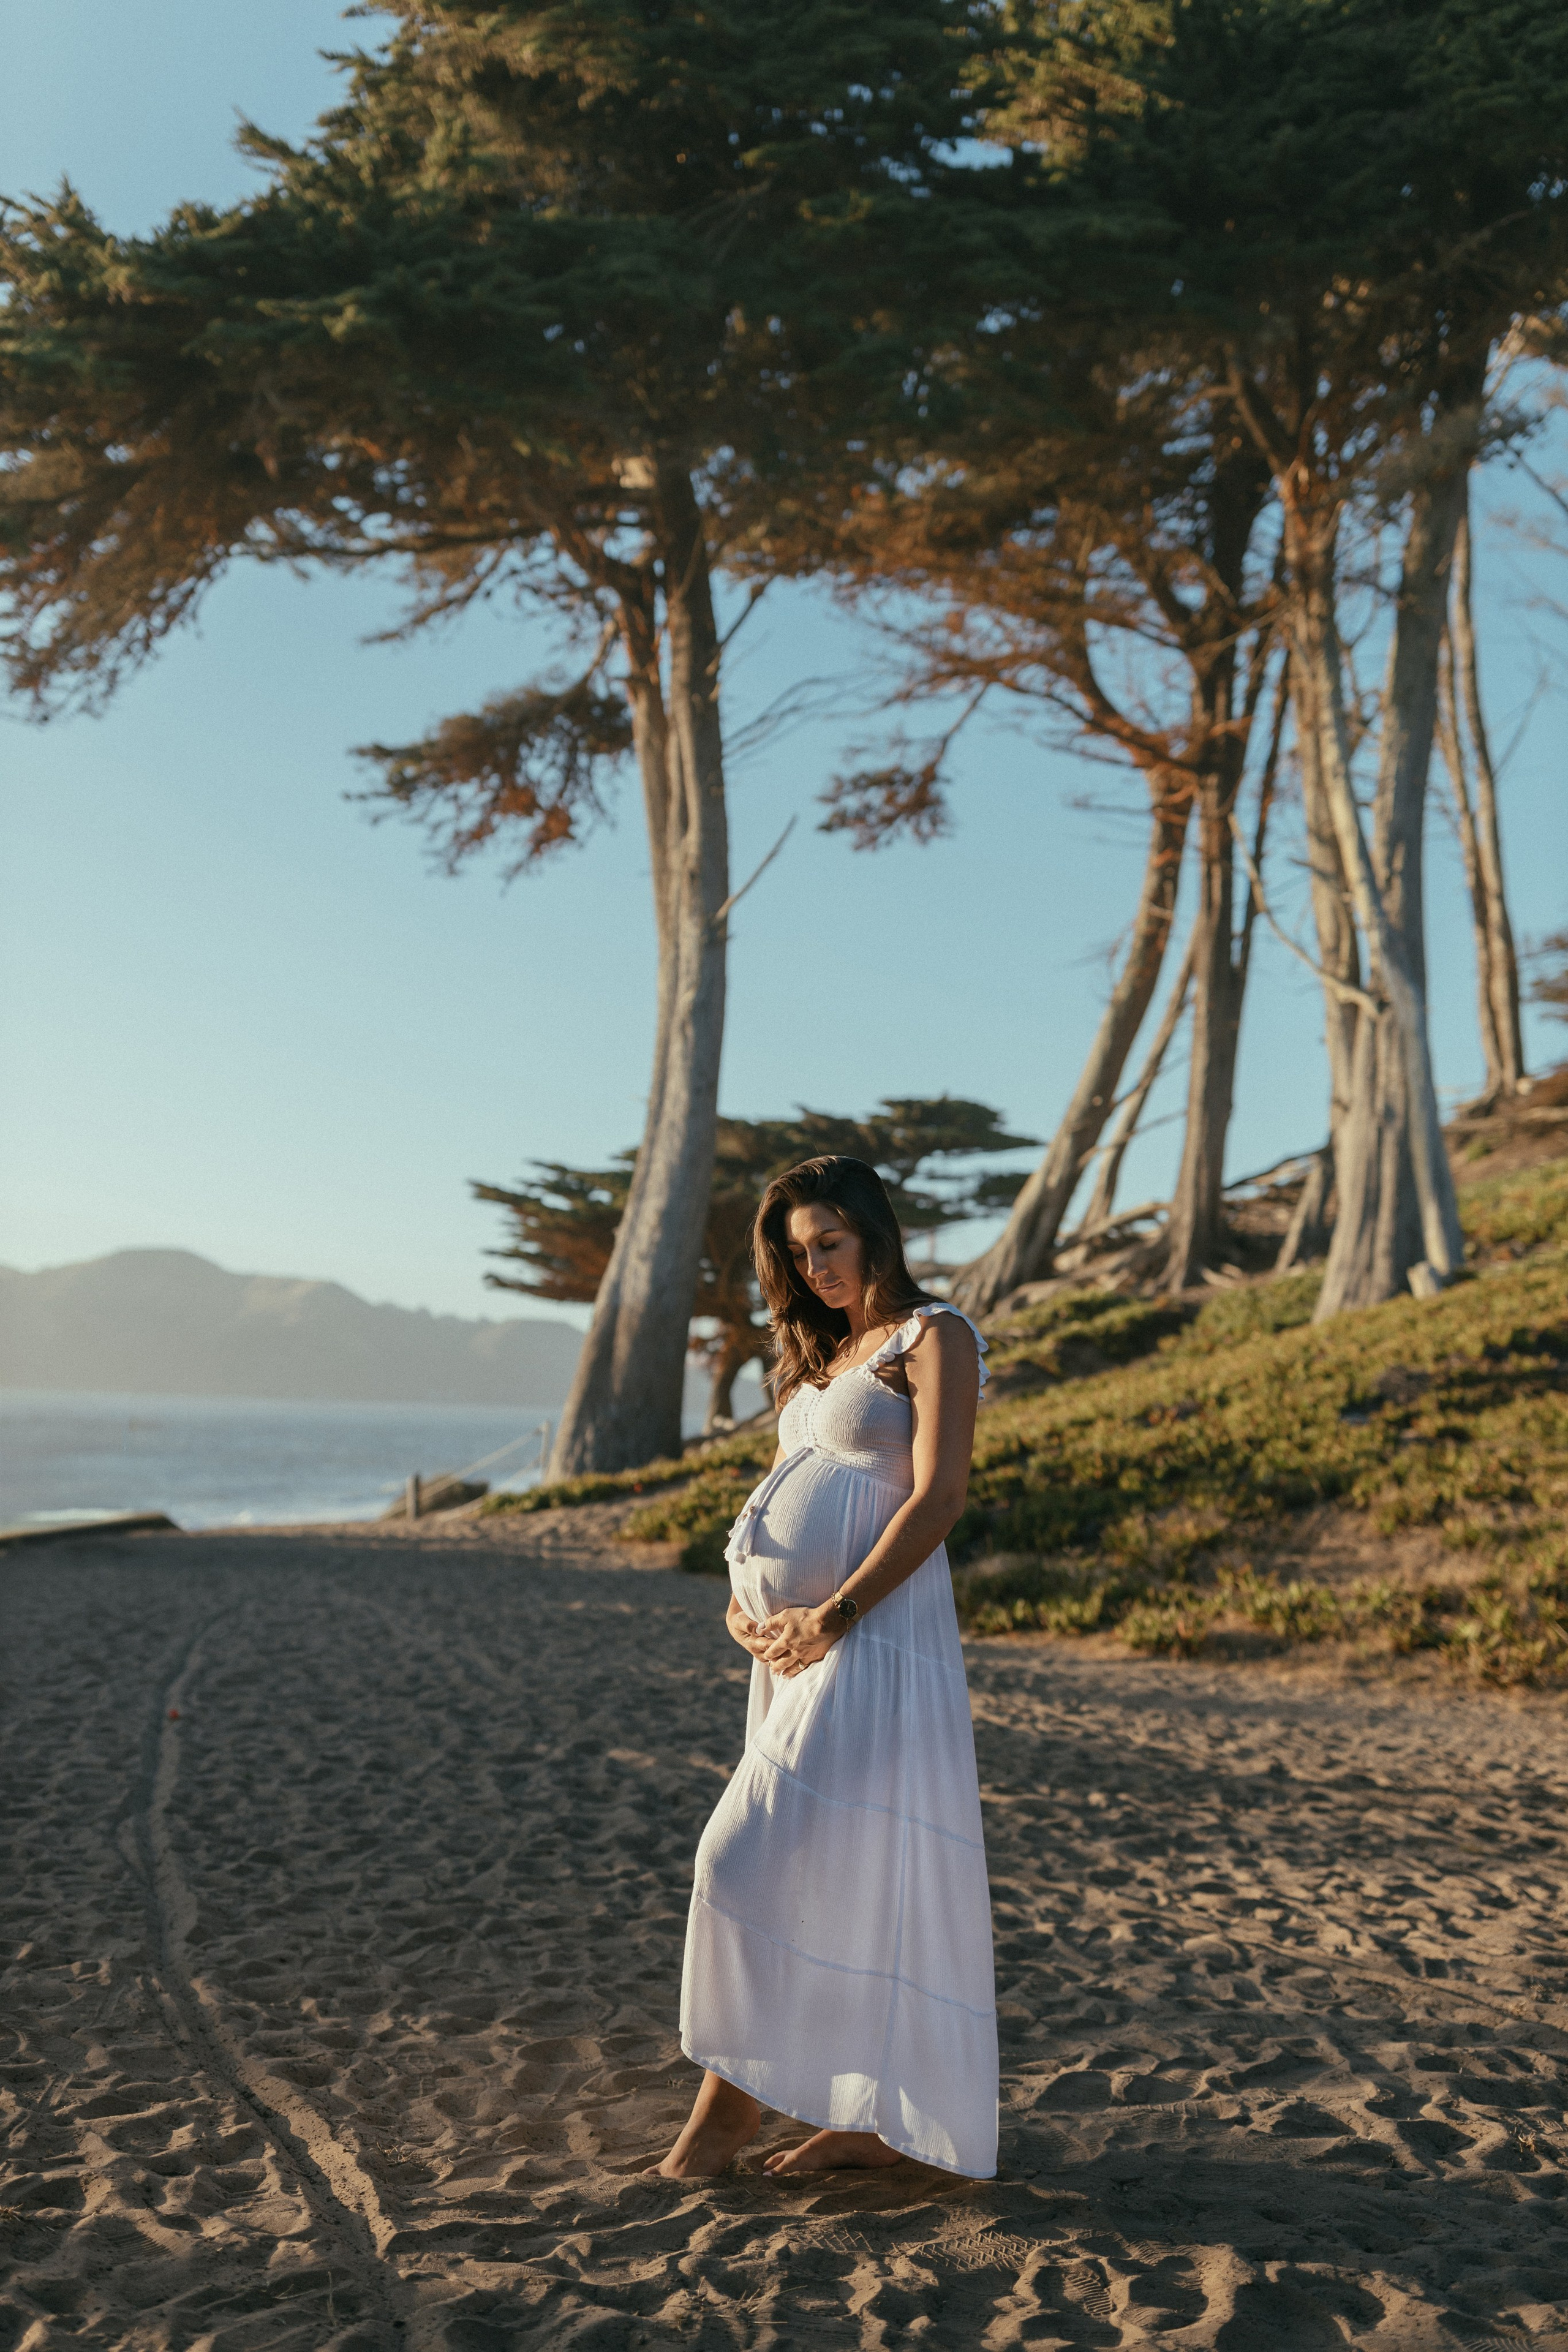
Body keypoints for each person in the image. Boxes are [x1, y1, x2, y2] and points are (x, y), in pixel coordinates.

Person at [650, 1154, 998, 2180]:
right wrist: (743, 1599)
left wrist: (835, 1614)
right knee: (832, 1870)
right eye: (798, 1256)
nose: (815, 1269)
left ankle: (731, 2113)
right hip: (795, 1654)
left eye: (829, 1244)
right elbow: (778, 1491)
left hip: (873, 1640)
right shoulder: (818, 1359)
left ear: (875, 1231)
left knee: (740, 1858)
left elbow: (937, 1500)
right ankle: (864, 2114)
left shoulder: (935, 1338)